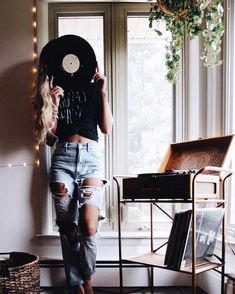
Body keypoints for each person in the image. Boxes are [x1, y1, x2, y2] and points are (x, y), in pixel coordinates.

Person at [33, 37, 113, 294]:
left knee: (89, 226)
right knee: (68, 229)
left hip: (91, 158)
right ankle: (77, 285)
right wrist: (54, 104)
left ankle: (86, 277)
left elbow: (107, 128)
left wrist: (102, 92)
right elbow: (50, 136)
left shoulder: (93, 89)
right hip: (63, 158)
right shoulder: (54, 91)